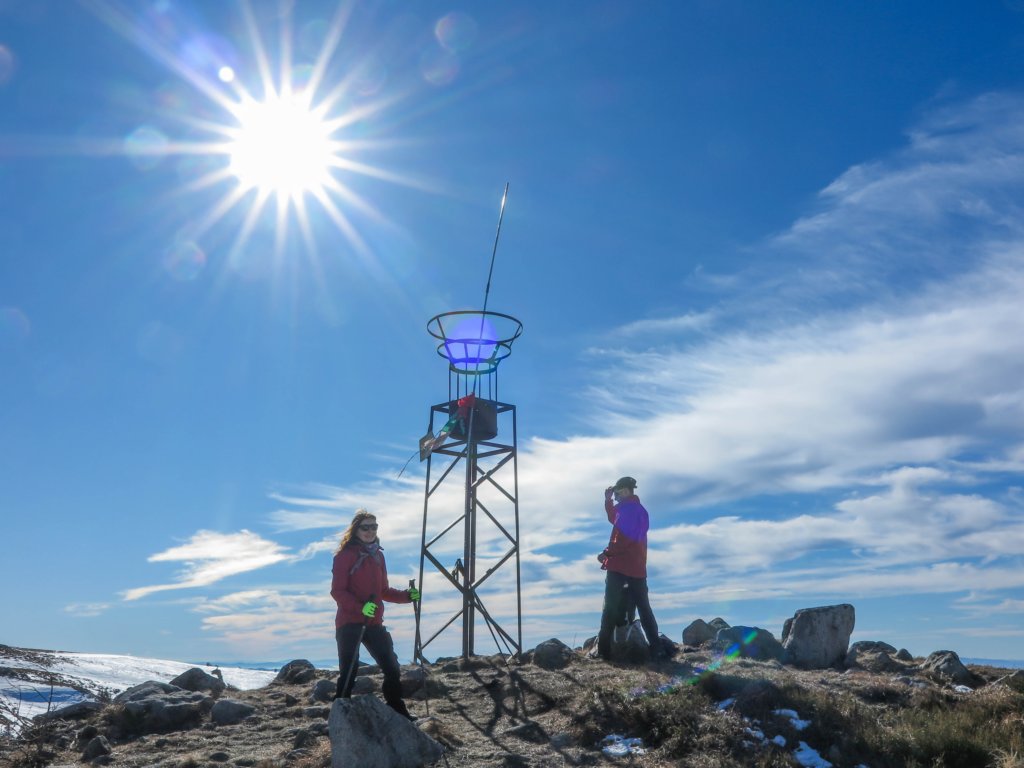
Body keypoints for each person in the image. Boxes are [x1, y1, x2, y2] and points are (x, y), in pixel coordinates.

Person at [331, 509, 420, 718]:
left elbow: (383, 591)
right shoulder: (344, 555)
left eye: (374, 526)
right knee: (349, 671)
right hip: (349, 623)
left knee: (391, 666)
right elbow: (337, 591)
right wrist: (360, 607)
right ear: (356, 530)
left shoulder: (378, 555)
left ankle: (397, 711)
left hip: (373, 623)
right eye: (366, 527)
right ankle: (339, 717)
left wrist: (407, 596)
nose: (370, 531)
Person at [596, 476, 666, 661]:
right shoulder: (635, 510)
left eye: (617, 493)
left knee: (610, 607)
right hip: (637, 568)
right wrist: (608, 501)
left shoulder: (630, 511)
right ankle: (656, 649)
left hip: (620, 566)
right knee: (644, 608)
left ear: (626, 491)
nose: (616, 497)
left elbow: (624, 539)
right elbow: (614, 518)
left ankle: (603, 652)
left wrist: (607, 553)